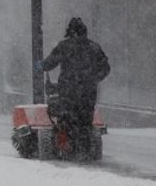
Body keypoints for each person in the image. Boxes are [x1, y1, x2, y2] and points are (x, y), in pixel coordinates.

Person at [39, 17, 110, 160]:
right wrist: (94, 79)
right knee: (85, 122)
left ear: (70, 31)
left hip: (67, 92)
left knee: (65, 120)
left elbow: (49, 64)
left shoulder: (64, 46)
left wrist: (40, 65)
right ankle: (84, 150)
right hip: (88, 94)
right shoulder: (94, 47)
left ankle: (65, 148)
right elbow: (106, 68)